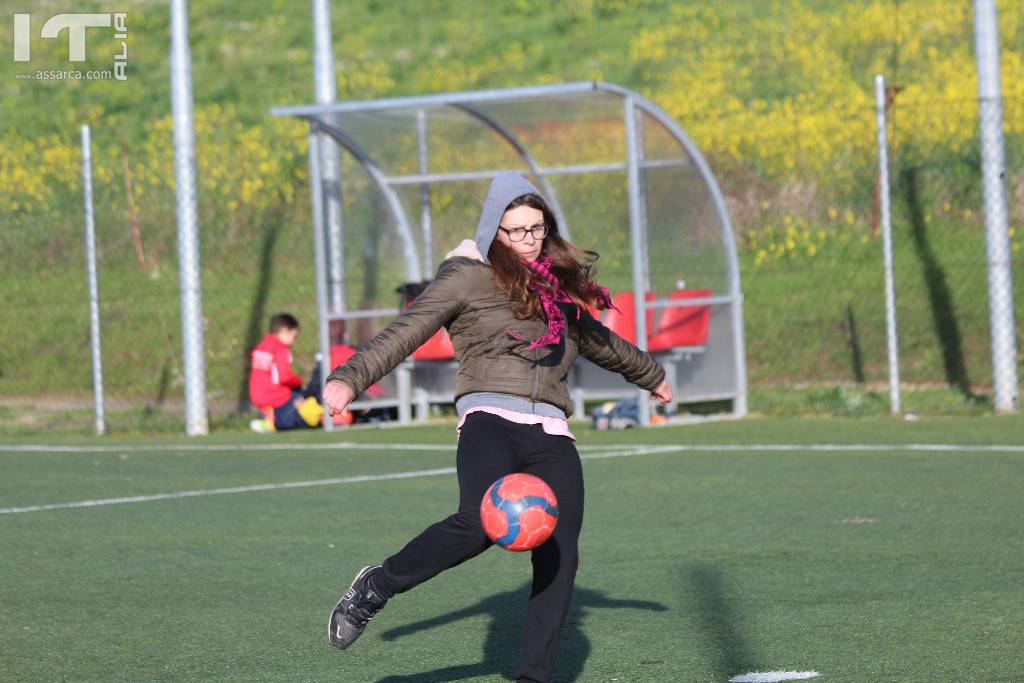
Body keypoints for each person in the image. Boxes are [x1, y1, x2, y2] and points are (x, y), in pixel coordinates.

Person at [321, 172, 673, 683]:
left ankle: (534, 678)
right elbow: (408, 330)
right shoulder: (467, 276)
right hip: (490, 418)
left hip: (551, 432)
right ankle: (377, 585)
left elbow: (600, 341)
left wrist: (653, 376)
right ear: (494, 231)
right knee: (479, 523)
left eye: (537, 229)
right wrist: (349, 378)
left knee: (560, 556)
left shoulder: (555, 290)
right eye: (517, 231)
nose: (529, 240)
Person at [248, 313, 324, 432]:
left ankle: (269, 417)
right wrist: (299, 381)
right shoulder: (280, 348)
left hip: (256, 395)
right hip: (273, 394)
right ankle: (275, 423)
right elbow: (283, 377)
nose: (293, 341)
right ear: (284, 331)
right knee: (302, 400)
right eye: (294, 336)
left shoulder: (261, 346)